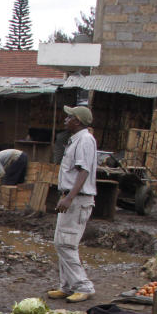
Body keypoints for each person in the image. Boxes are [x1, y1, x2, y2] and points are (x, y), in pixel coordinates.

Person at [47, 105, 97, 303]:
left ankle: (83, 286)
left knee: (67, 244)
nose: (65, 120)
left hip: (78, 199)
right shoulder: (76, 140)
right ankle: (67, 286)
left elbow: (83, 171)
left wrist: (69, 197)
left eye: (69, 117)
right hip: (71, 197)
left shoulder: (85, 140)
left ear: (77, 121)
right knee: (60, 242)